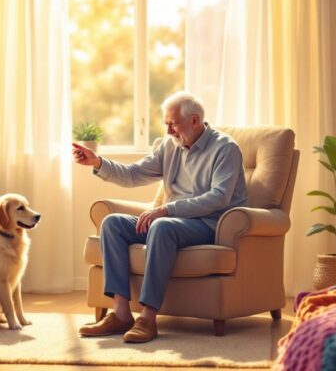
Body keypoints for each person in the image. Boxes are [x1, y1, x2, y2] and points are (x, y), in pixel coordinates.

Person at [72, 91, 248, 343]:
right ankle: (121, 314)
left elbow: (218, 197)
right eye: (166, 124)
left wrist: (166, 209)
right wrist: (98, 162)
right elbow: (134, 174)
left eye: (173, 124)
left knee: (162, 226)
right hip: (173, 221)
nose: (168, 131)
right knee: (112, 223)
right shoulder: (169, 145)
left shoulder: (225, 148)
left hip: (209, 224)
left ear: (195, 120)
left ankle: (148, 318)